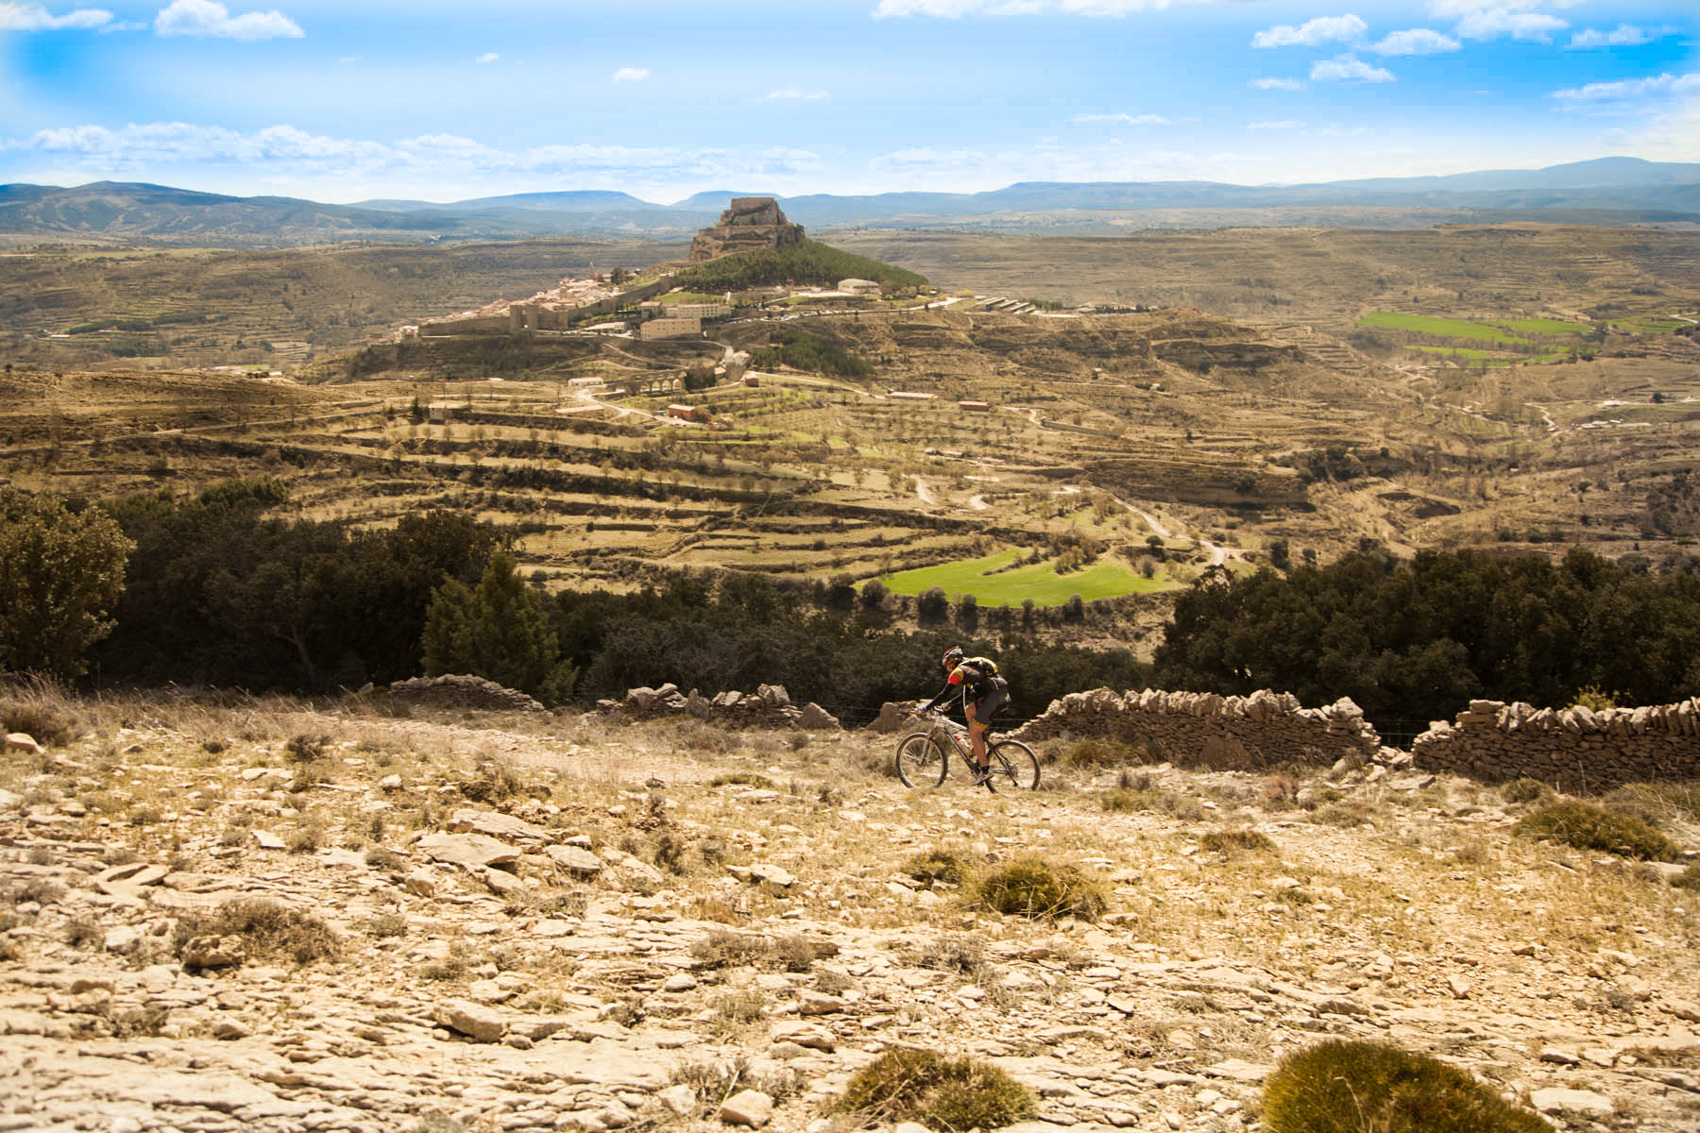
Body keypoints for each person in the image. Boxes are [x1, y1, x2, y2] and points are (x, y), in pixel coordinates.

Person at [917, 645, 1009, 786]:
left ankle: (985, 770)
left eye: (947, 665)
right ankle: (978, 746)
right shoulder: (971, 669)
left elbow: (944, 693)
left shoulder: (958, 672)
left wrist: (926, 707)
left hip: (992, 699)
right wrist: (950, 704)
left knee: (974, 732)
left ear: (952, 662)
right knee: (969, 710)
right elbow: (968, 694)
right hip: (1002, 696)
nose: (947, 669)